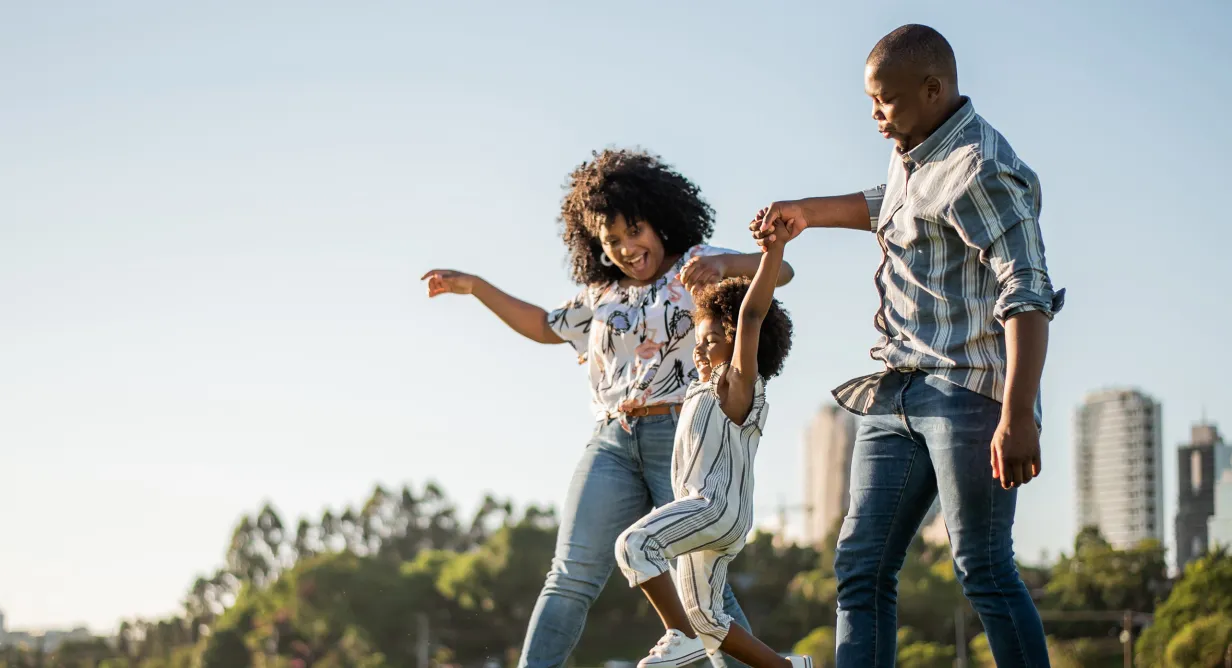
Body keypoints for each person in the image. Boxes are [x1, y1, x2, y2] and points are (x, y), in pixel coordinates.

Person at [752, 24, 1062, 667]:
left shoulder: (982, 167)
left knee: (981, 564)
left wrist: (1016, 415)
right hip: (896, 388)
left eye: (885, 102)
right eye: (870, 101)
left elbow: (1028, 292)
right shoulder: (914, 150)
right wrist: (806, 212)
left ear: (932, 89)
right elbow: (893, 206)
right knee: (860, 566)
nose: (874, 116)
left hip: (968, 392)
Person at [424, 148, 792, 668]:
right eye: (611, 241)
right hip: (612, 441)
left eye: (634, 231)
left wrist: (727, 263)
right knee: (569, 575)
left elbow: (781, 273)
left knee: (700, 580)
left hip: (681, 433)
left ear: (659, 220)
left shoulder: (697, 267)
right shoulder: (600, 295)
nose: (626, 248)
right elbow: (542, 324)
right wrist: (475, 287)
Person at [614, 223, 812, 668]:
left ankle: (676, 632)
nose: (701, 350)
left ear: (740, 346)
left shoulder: (737, 385)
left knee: (634, 544)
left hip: (713, 508)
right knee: (708, 617)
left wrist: (772, 253)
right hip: (711, 517)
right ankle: (786, 667)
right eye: (697, 342)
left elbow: (751, 316)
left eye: (712, 341)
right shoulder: (701, 390)